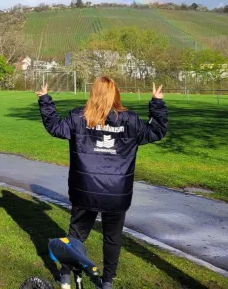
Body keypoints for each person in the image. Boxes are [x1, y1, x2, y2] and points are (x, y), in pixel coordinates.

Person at [37, 76, 168, 289]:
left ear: (93, 92)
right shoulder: (127, 120)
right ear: (116, 93)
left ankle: (65, 276)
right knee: (112, 239)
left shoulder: (80, 117)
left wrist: (45, 100)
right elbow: (156, 132)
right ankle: (106, 282)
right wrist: (157, 103)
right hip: (116, 193)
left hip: (85, 190)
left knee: (76, 235)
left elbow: (55, 127)